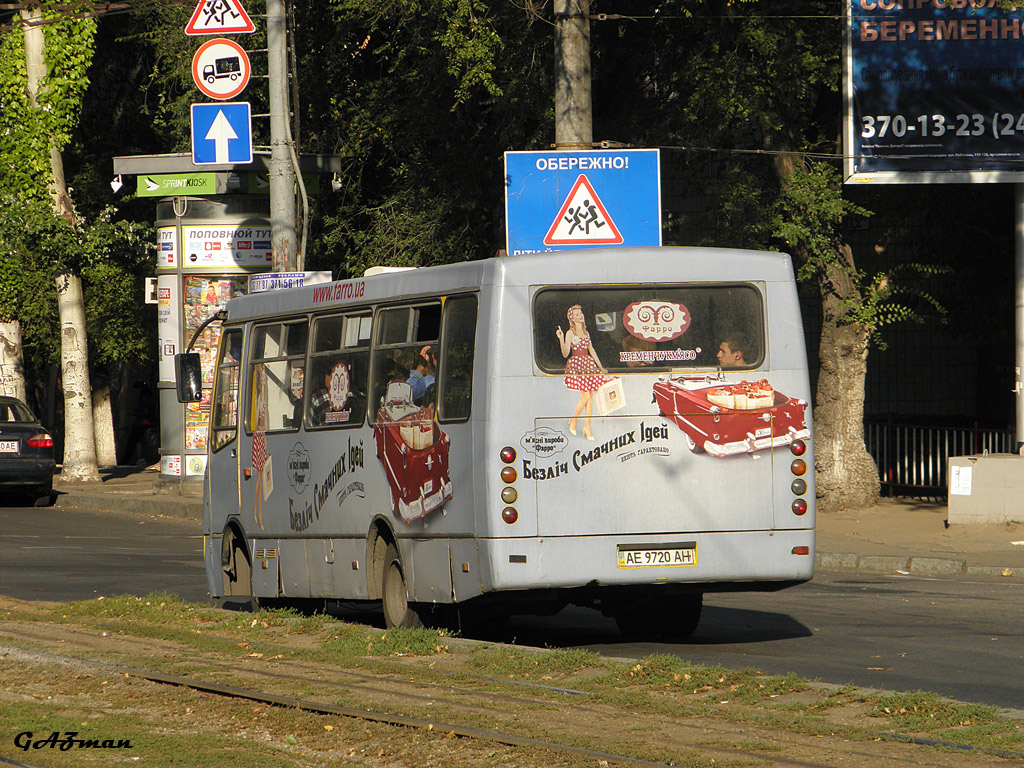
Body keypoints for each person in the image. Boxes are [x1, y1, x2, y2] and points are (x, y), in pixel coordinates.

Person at [556, 304, 606, 441]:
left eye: (581, 313)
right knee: (586, 397)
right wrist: (561, 338)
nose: (581, 316)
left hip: (588, 365)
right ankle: (573, 420)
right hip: (577, 366)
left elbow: (592, 350)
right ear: (572, 318)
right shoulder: (570, 333)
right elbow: (565, 353)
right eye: (577, 314)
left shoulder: (586, 332)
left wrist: (600, 367)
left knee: (590, 398)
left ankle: (587, 427)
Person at [120, 382, 156, 466]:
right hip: (146, 422)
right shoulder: (149, 396)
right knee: (138, 442)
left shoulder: (144, 397)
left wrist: (138, 412)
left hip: (143, 422)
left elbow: (144, 410)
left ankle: (127, 460)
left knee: (133, 441)